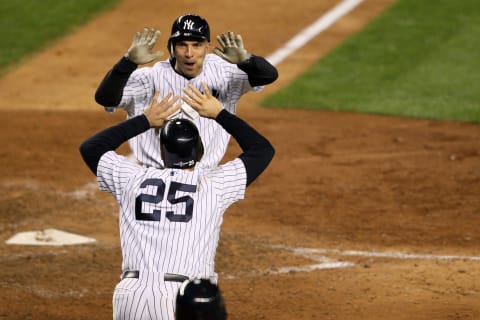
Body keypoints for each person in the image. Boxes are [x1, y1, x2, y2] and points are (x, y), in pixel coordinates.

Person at [79, 82, 274, 320]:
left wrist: (145, 120)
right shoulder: (213, 186)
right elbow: (262, 149)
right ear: (199, 151)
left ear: (162, 152)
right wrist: (220, 114)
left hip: (130, 294)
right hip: (181, 298)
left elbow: (91, 147)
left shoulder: (131, 178)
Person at [94, 13, 278, 169]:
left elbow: (267, 76)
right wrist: (127, 63)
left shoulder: (224, 72)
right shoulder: (149, 78)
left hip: (205, 178)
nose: (189, 53)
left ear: (207, 47)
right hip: (155, 175)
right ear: (171, 48)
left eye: (197, 45)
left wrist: (246, 60)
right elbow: (106, 98)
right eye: (182, 44)